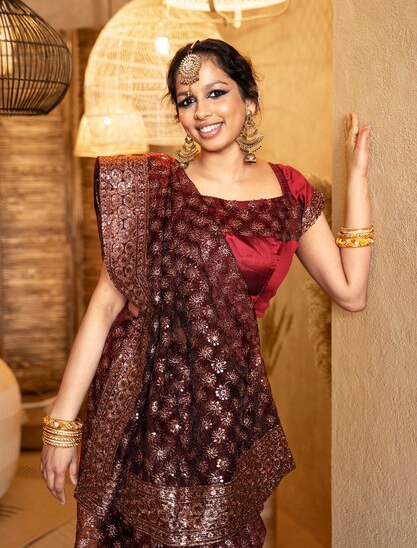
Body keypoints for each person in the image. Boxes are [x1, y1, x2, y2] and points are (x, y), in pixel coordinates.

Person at [40, 38, 372, 547]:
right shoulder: (157, 191)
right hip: (149, 404)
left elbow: (351, 292)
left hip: (228, 407)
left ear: (250, 99)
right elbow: (106, 305)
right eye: (187, 100)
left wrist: (359, 178)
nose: (202, 111)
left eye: (216, 92)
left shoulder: (289, 192)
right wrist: (62, 425)